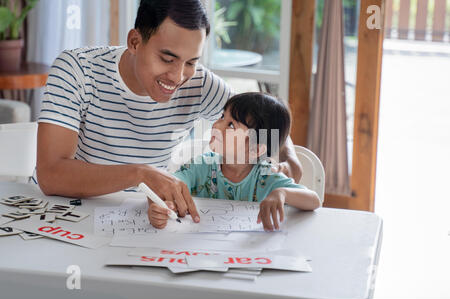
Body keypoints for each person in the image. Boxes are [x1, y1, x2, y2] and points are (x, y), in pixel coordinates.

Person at [36, 0, 302, 224]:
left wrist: (289, 155)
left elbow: (262, 116)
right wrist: (140, 174)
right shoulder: (77, 70)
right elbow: (51, 175)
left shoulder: (199, 83)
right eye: (167, 59)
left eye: (191, 62)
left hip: (145, 218)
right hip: (69, 214)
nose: (177, 77)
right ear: (134, 41)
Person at [148, 93, 321, 231]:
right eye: (222, 116)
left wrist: (283, 193)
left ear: (256, 149)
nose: (216, 125)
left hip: (247, 254)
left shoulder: (267, 176)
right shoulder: (201, 166)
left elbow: (314, 200)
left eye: (230, 125)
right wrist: (163, 206)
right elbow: (169, 187)